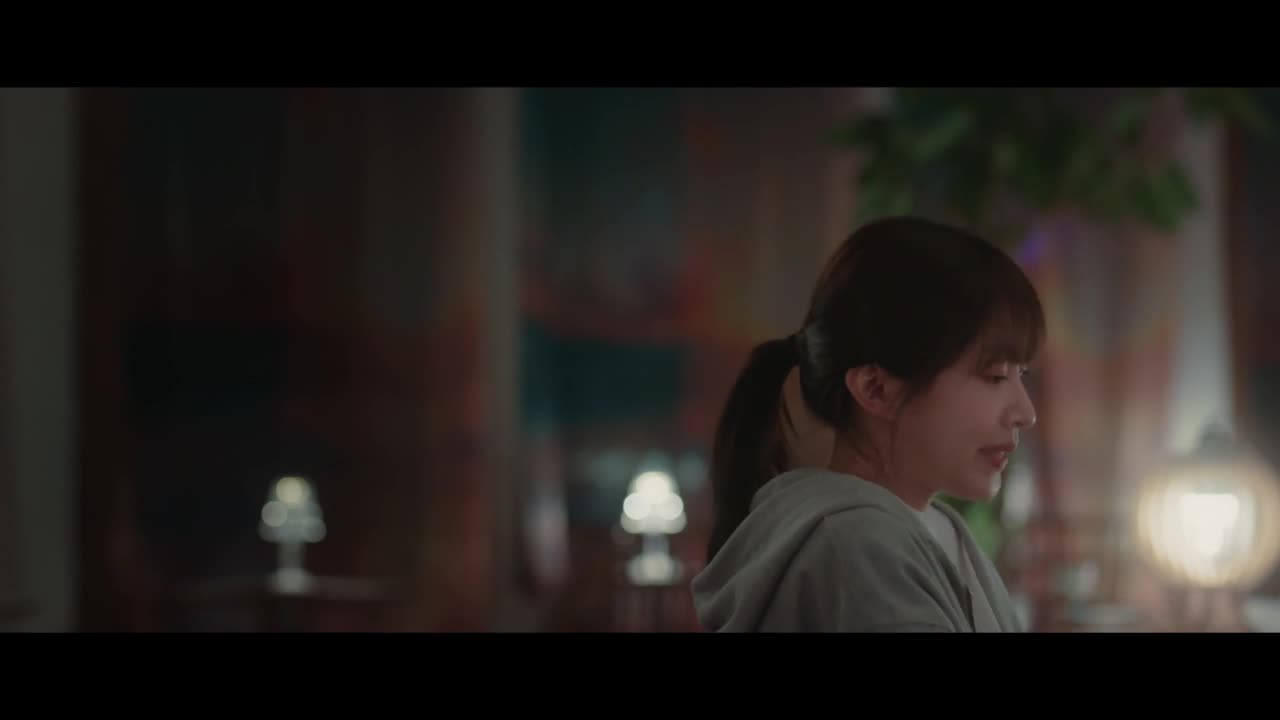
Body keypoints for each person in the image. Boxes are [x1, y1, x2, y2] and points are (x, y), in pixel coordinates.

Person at [690, 216, 1043, 632]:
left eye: (1022, 375)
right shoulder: (857, 540)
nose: (1025, 412)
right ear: (876, 389)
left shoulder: (935, 528)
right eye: (995, 376)